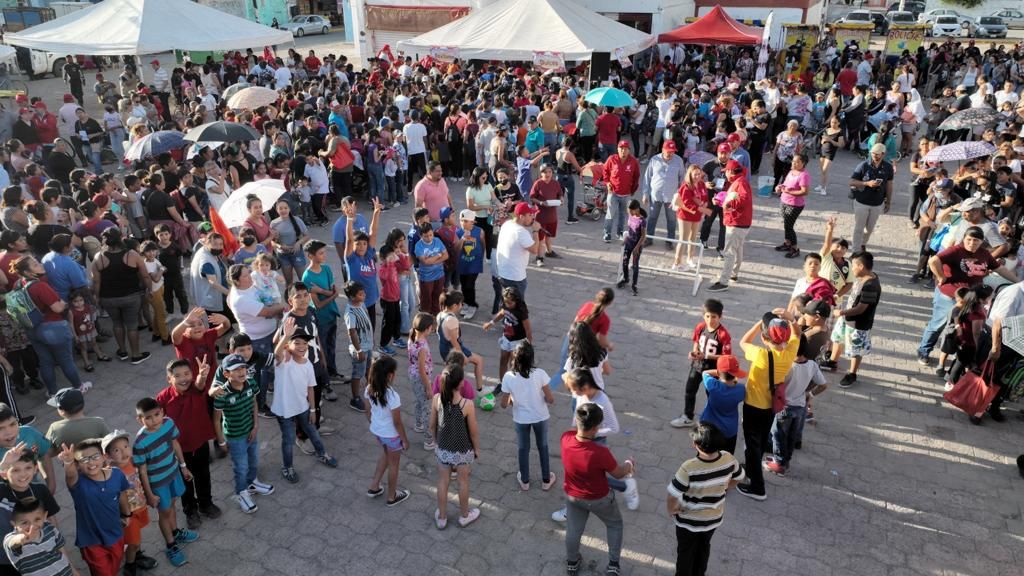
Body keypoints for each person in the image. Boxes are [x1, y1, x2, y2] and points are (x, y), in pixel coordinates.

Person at [561, 401, 634, 576]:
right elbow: (618, 473)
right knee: (614, 524)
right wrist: (629, 464)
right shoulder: (599, 452)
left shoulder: (565, 439)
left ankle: (572, 562)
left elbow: (574, 431)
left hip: (573, 496)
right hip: (599, 498)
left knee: (573, 530)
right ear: (595, 428)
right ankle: (613, 566)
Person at [736, 311, 799, 501]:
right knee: (761, 440)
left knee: (752, 445)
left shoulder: (761, 354)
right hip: (770, 407)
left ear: (764, 338)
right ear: (786, 338)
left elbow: (743, 341)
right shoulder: (789, 353)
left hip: (753, 406)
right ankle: (751, 466)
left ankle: (757, 487)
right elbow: (797, 334)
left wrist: (759, 323)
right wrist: (791, 319)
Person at [666, 422, 744, 576]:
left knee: (685, 553)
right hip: (712, 519)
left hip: (688, 522)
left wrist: (671, 509)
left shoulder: (688, 467)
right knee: (703, 548)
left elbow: (673, 494)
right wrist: (726, 486)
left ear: (695, 445)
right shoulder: (728, 458)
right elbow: (739, 477)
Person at [11, 256, 91, 403]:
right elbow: (58, 308)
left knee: (45, 362)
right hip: (53, 328)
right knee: (66, 360)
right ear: (28, 272)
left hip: (33, 329)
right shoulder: (40, 286)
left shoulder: (18, 284)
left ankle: (52, 393)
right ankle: (79, 387)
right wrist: (64, 303)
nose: (40, 264)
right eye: (35, 264)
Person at [155, 358, 221, 531]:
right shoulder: (163, 398)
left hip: (200, 443)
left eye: (187, 374)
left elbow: (200, 384)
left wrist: (202, 376)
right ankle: (190, 511)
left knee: (203, 476)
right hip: (178, 451)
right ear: (169, 379)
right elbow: (155, 421)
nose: (183, 378)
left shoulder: (195, 389)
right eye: (177, 376)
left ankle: (206, 504)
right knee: (185, 483)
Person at [131, 397, 198, 567]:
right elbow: (142, 471)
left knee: (172, 505)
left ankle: (176, 532)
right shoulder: (140, 443)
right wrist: (149, 494)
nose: (154, 420)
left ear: (162, 412)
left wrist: (183, 467)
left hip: (173, 473)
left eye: (157, 414)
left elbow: (175, 444)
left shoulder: (168, 424)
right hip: (158, 483)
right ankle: (170, 545)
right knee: (164, 512)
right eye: (148, 417)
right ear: (139, 420)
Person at [271, 320, 337, 484]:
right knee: (288, 440)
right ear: (288, 345)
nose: (302, 346)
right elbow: (277, 353)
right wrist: (285, 337)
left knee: (313, 432)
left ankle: (322, 454)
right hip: (284, 411)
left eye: (305, 343)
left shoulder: (307, 364)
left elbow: (310, 388)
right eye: (297, 343)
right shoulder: (283, 361)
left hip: (303, 407)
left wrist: (313, 410)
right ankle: (287, 467)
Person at [56, 439, 131, 576]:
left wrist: (126, 514)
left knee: (114, 567)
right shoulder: (77, 483)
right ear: (77, 465)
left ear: (104, 457)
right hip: (91, 541)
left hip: (115, 534)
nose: (90, 462)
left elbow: (122, 494)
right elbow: (70, 474)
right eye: (84, 460)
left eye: (95, 456)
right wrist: (68, 462)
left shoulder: (117, 474)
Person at [211, 353, 275, 515]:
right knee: (241, 467)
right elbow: (216, 420)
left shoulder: (251, 382)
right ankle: (241, 493)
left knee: (254, 460)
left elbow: (254, 402)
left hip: (251, 431)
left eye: (243, 368)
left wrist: (256, 425)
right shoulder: (222, 394)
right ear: (226, 374)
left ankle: (252, 483)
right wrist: (221, 442)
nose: (241, 372)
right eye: (236, 369)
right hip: (235, 437)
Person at [430, 362, 481, 529]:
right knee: (462, 482)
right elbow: (473, 431)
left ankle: (442, 517)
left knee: (443, 481)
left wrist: (436, 442)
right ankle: (465, 515)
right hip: (462, 450)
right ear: (460, 384)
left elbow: (432, 425)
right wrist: (476, 448)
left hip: (443, 449)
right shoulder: (467, 405)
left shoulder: (437, 399)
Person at [764, 338, 825, 477]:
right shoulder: (812, 365)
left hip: (784, 408)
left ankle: (779, 465)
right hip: (800, 407)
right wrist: (809, 394)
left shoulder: (787, 365)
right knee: (792, 436)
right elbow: (823, 385)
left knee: (778, 435)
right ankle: (786, 461)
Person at [499, 342, 555, 491]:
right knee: (543, 446)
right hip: (540, 416)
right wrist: (541, 397)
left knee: (523, 448)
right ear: (532, 358)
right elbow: (550, 399)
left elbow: (503, 404)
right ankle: (546, 480)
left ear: (514, 358)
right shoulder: (540, 374)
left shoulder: (508, 377)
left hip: (521, 419)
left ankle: (524, 480)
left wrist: (513, 400)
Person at [822, 252, 883, 389]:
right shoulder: (862, 277)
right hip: (846, 318)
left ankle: (852, 374)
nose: (851, 268)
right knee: (837, 338)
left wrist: (841, 312)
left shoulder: (870, 285)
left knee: (856, 349)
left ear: (861, 266)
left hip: (858, 324)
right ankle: (832, 361)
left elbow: (861, 309)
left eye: (853, 265)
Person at [91, 228, 150, 365]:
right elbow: (145, 275)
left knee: (117, 323)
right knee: (132, 325)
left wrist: (97, 298)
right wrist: (149, 289)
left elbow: (96, 281)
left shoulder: (98, 257)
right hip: (131, 297)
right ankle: (136, 355)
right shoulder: (132, 254)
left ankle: (122, 351)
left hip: (109, 298)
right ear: (121, 237)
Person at [0, 446, 62, 575]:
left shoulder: (41, 490)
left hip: (39, 553)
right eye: (15, 470)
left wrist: (56, 544)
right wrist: (3, 464)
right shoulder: (2, 491)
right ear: (4, 474)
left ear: (35, 469)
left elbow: (51, 519)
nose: (23, 474)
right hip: (6, 556)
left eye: (28, 468)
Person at [671, 299, 732, 428]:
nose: (710, 320)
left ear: (720, 316)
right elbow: (696, 342)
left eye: (714, 317)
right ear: (703, 315)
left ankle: (713, 420)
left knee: (712, 395)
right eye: (707, 316)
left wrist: (707, 356)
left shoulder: (723, 334)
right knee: (690, 390)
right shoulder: (700, 327)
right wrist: (694, 352)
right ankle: (688, 416)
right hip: (698, 365)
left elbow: (726, 357)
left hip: (713, 370)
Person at [363, 356, 410, 506]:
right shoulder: (393, 396)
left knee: (386, 455)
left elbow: (367, 411)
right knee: (394, 465)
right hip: (392, 436)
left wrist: (375, 424)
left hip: (378, 432)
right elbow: (397, 422)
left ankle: (374, 486)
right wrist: (404, 440)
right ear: (390, 375)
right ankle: (392, 496)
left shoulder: (369, 389)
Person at [707, 160, 753, 292]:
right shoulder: (739, 181)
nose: (724, 174)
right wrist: (721, 200)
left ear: (730, 171)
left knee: (729, 252)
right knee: (737, 249)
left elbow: (743, 199)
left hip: (736, 222)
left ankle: (724, 282)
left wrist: (727, 205)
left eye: (726, 171)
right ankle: (733, 274)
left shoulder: (740, 183)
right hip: (740, 222)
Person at [2, 500, 74, 576]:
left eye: (37, 519)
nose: (32, 526)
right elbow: (12, 543)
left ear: (45, 516)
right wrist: (22, 538)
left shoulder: (49, 527)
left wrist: (75, 572)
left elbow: (62, 551)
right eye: (25, 523)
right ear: (14, 524)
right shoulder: (12, 538)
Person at [848, 143, 895, 251]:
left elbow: (889, 185)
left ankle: (863, 244)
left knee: (869, 229)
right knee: (859, 228)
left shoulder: (888, 167)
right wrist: (866, 183)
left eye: (877, 154)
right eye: (873, 153)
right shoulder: (863, 165)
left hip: (877, 203)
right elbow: (851, 182)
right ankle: (855, 250)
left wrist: (888, 201)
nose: (874, 155)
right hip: (862, 202)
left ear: (883, 154)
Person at [494, 203, 541, 299]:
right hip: (515, 277)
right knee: (516, 305)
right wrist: (536, 231)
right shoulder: (521, 232)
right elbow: (535, 250)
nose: (533, 218)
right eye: (530, 215)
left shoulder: (507, 224)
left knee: (505, 301)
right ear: (521, 217)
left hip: (503, 272)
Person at [641, 140, 684, 244]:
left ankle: (670, 240)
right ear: (663, 150)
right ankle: (649, 239)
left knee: (671, 219)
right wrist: (645, 193)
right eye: (668, 151)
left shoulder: (679, 161)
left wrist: (680, 196)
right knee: (652, 217)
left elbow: (682, 179)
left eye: (673, 151)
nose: (671, 154)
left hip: (671, 197)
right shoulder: (654, 160)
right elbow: (647, 177)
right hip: (656, 195)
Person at [602, 140, 641, 243]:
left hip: (626, 194)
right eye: (621, 148)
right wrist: (607, 183)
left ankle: (619, 233)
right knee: (610, 214)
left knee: (622, 215)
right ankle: (607, 233)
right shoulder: (611, 159)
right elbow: (605, 171)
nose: (623, 151)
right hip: (613, 193)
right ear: (617, 149)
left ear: (629, 150)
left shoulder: (633, 161)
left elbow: (636, 177)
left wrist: (633, 190)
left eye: (626, 149)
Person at [344, 281, 373, 413]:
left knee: (368, 369)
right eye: (360, 294)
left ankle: (371, 389)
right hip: (360, 349)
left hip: (368, 345)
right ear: (352, 297)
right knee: (357, 374)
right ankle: (355, 399)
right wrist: (359, 350)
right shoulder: (350, 312)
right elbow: (352, 332)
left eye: (363, 293)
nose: (364, 295)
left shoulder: (361, 304)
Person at [775, 153, 811, 259]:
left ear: (803, 163)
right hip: (784, 201)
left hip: (795, 204)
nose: (793, 163)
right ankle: (787, 243)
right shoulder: (791, 171)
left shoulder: (804, 175)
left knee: (789, 226)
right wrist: (779, 186)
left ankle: (795, 248)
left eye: (797, 162)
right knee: (786, 224)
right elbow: (785, 184)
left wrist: (789, 192)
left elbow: (804, 191)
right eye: (793, 161)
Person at [413, 223, 447, 315]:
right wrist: (438, 255)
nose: (429, 238)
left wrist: (432, 260)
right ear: (420, 235)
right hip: (426, 278)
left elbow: (446, 256)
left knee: (437, 299)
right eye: (426, 236)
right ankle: (425, 319)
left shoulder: (437, 240)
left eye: (431, 235)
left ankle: (436, 318)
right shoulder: (418, 246)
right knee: (426, 302)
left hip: (439, 275)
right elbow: (425, 262)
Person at [617, 200, 647, 296]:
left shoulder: (642, 221)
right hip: (629, 243)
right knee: (625, 262)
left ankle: (634, 285)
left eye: (631, 210)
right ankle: (626, 279)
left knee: (635, 265)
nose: (629, 212)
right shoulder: (630, 215)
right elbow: (630, 229)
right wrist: (625, 239)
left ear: (636, 209)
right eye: (628, 210)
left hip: (637, 246)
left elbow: (643, 236)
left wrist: (637, 248)